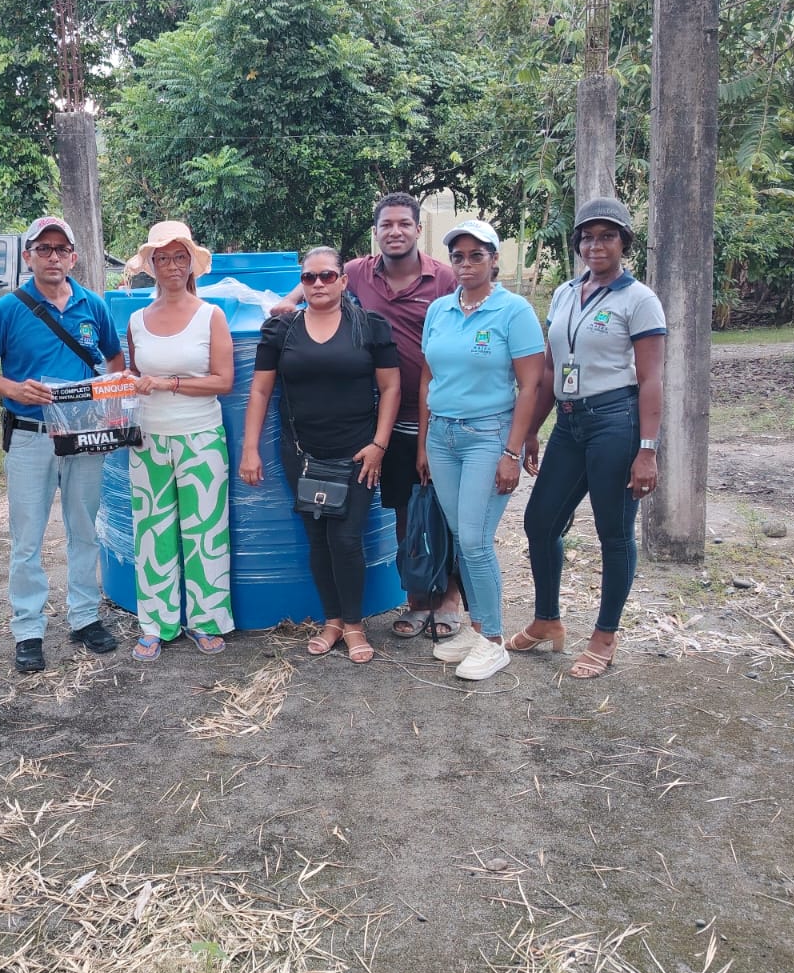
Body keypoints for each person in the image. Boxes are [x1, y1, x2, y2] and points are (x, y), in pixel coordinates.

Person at [273, 193, 460, 638]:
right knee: (405, 511)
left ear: (418, 229)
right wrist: (288, 301)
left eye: (404, 224)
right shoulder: (359, 271)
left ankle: (450, 599)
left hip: (439, 410)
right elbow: (319, 276)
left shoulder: (444, 277)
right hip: (387, 418)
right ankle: (418, 600)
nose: (395, 232)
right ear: (376, 233)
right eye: (386, 225)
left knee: (445, 509)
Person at [0, 216, 126, 674]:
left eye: (61, 249)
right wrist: (12, 389)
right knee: (27, 537)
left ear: (73, 257)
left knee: (84, 528)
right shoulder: (9, 308)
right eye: (43, 249)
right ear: (28, 256)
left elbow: (114, 358)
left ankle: (84, 616)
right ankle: (28, 629)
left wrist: (105, 396)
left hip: (82, 437)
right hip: (29, 436)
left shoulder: (92, 305)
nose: (53, 257)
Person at [516, 197, 666, 679]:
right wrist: (533, 429)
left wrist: (647, 451)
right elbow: (550, 369)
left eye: (607, 236)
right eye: (587, 237)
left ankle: (604, 636)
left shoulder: (638, 299)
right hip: (569, 422)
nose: (595, 245)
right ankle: (547, 619)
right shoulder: (565, 293)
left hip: (615, 422)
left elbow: (652, 379)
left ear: (624, 243)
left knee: (613, 532)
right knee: (540, 522)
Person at [241, 247, 401, 664]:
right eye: (309, 277)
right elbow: (260, 390)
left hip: (359, 455)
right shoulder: (280, 330)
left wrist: (379, 445)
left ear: (343, 281)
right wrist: (250, 449)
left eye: (327, 276)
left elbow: (391, 388)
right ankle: (332, 621)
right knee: (316, 539)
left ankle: (354, 625)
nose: (318, 284)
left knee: (345, 539)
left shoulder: (370, 326)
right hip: (302, 454)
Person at [416, 219, 546, 681]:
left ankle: (492, 639)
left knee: (474, 540)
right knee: (460, 537)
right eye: (458, 256)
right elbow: (428, 377)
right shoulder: (440, 310)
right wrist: (424, 443)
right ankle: (476, 630)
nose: (466, 264)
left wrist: (512, 452)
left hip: (488, 435)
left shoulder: (514, 311)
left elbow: (531, 386)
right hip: (443, 436)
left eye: (477, 255)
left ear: (494, 259)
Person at [123, 221, 237, 660]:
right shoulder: (136, 320)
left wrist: (169, 383)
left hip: (201, 436)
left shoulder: (211, 315)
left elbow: (223, 381)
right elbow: (136, 376)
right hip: (148, 439)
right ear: (150, 265)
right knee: (152, 533)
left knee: (206, 531)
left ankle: (207, 621)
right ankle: (155, 624)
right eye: (162, 258)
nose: (171, 265)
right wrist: (131, 383)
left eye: (179, 257)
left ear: (192, 263)